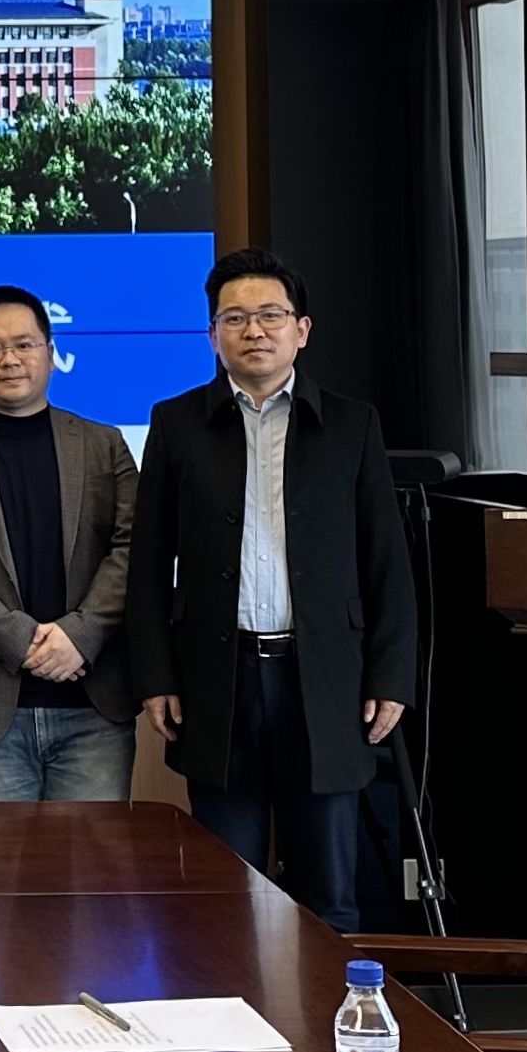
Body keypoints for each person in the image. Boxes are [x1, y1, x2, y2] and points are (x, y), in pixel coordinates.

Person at [125, 247, 416, 931]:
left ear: (301, 329)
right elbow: (148, 564)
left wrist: (391, 674)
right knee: (225, 895)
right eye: (234, 318)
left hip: (325, 679)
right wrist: (155, 675)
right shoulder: (176, 423)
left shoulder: (351, 424)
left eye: (270, 315)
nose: (253, 330)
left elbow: (386, 562)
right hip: (217, 678)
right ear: (212, 334)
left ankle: (327, 1004)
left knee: (330, 897)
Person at [0, 284, 141, 802]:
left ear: (50, 354)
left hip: (92, 700)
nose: (9, 359)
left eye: (24, 344)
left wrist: (79, 634)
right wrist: (24, 641)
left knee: (94, 856)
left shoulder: (105, 446)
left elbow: (134, 547)